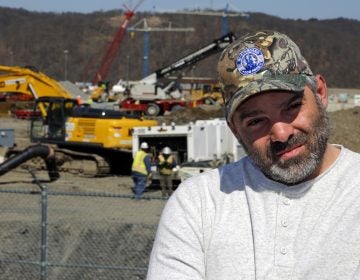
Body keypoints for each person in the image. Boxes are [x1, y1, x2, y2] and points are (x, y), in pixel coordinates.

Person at [146, 30, 360, 279]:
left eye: (292, 107)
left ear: (321, 93)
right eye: (256, 120)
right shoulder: (199, 202)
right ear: (234, 129)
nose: (281, 132)